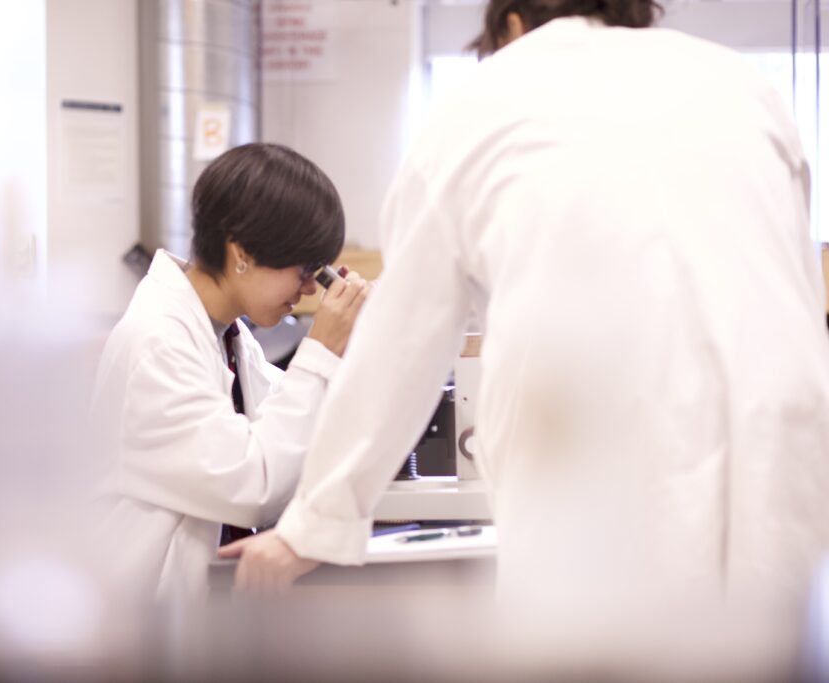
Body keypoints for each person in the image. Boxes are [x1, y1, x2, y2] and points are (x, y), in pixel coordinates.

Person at [222, 0, 829, 634]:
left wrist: (308, 529)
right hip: (781, 446)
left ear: (511, 22)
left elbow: (398, 353)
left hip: (605, 464)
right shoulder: (746, 88)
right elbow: (799, 289)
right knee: (768, 646)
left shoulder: (479, 106)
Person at [91, 142, 370, 599]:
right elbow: (254, 485)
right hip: (136, 626)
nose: (307, 291)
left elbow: (300, 432)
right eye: (303, 270)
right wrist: (321, 351)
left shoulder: (226, 337)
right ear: (240, 251)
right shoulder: (157, 344)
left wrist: (357, 346)